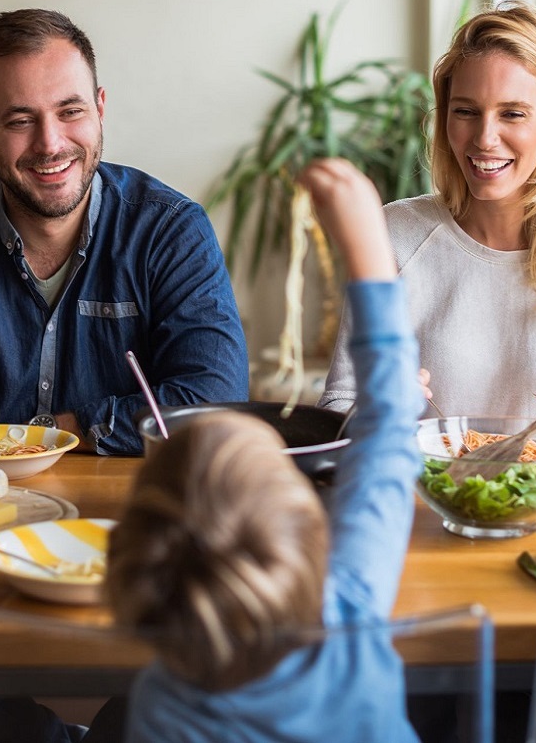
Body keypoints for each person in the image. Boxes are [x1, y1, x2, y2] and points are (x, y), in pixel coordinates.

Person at [105, 157, 423, 742]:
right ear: (312, 534)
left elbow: (387, 426)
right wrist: (368, 249)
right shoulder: (349, 618)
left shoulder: (157, 707)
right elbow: (392, 424)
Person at [0, 8, 248, 454]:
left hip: (126, 510)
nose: (50, 143)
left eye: (70, 111)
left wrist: (54, 433)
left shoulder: (169, 232)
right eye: (19, 121)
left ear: (100, 108)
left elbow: (214, 403)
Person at [318, 0, 536, 419]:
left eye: (512, 113)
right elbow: (338, 404)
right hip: (425, 485)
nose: (485, 138)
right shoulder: (397, 233)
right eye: (466, 112)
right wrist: (377, 409)